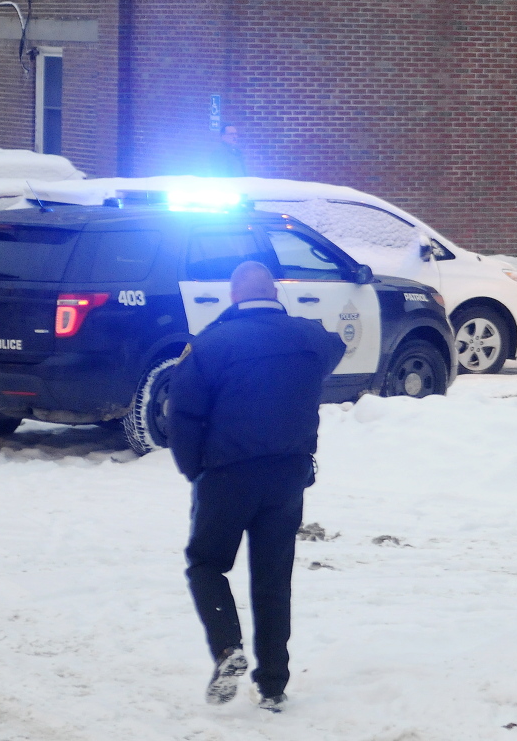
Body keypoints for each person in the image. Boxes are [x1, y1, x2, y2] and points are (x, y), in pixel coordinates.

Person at [167, 261, 346, 713]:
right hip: (288, 475)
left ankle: (228, 648)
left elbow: (182, 415)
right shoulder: (308, 338)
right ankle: (273, 686)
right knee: (272, 579)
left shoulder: (210, 345)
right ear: (276, 293)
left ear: (233, 296)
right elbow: (336, 343)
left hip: (228, 475)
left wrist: (195, 471)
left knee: (206, 564)